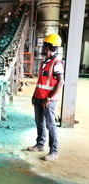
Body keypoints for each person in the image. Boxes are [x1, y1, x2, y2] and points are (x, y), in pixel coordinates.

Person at [27, 33, 65, 161]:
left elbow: (61, 82)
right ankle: (40, 144)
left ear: (48, 47)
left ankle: (54, 152)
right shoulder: (45, 62)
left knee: (50, 125)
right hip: (39, 97)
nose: (42, 48)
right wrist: (35, 95)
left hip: (48, 100)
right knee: (39, 122)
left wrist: (49, 98)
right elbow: (41, 81)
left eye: (44, 45)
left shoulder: (57, 63)